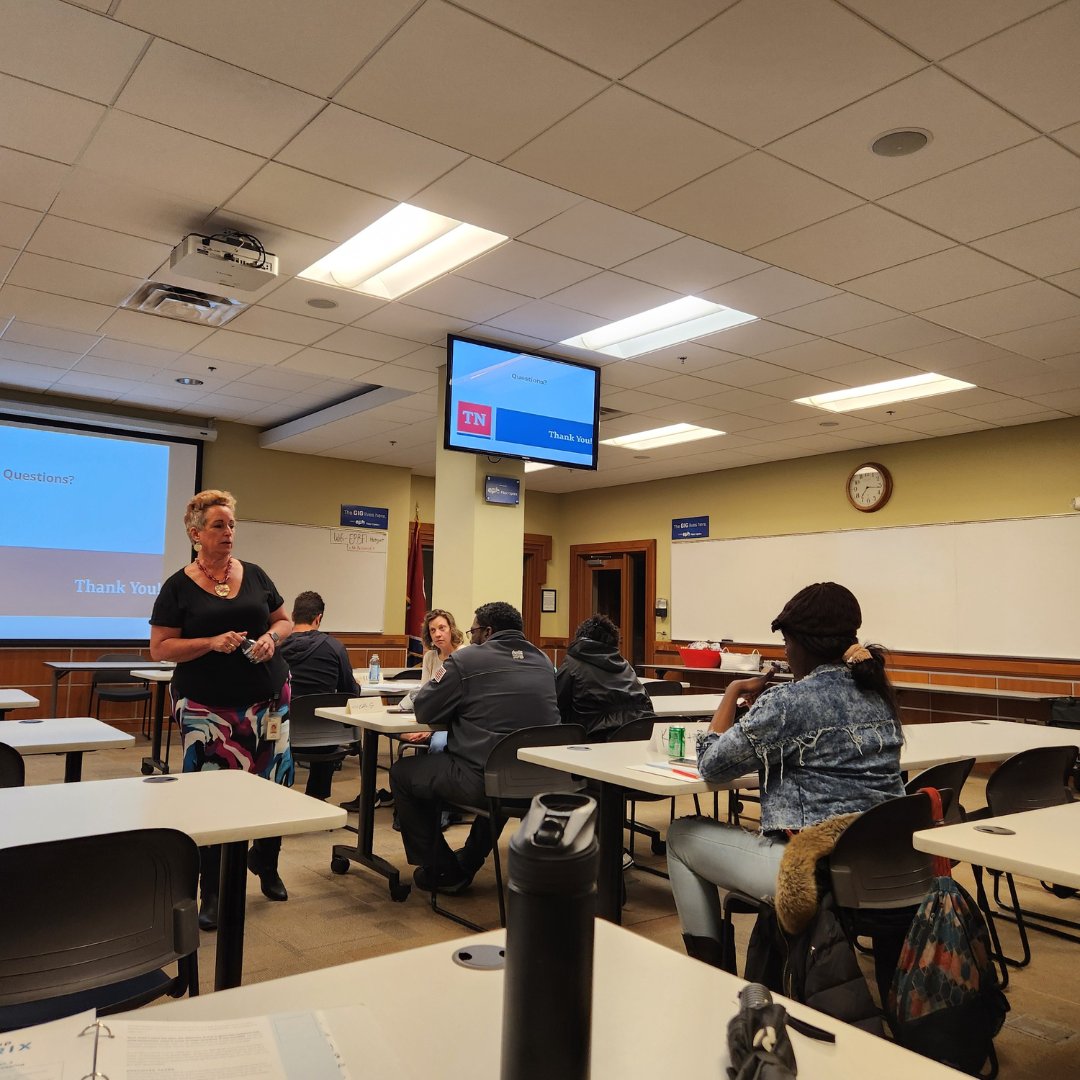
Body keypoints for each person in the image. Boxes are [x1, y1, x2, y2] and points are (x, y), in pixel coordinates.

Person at [666, 581, 904, 967]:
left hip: (814, 870)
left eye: (787, 644)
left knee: (680, 836)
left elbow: (712, 764)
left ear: (801, 643)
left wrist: (732, 693)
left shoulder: (788, 701)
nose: (786, 654)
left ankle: (711, 973)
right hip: (884, 860)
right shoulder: (877, 692)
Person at [149, 489, 295, 929]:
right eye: (218, 525)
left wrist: (273, 639)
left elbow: (284, 620)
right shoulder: (177, 586)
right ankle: (209, 891)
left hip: (268, 700)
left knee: (275, 786)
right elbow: (160, 648)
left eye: (231, 524)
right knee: (210, 799)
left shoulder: (255, 574)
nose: (229, 532)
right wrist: (211, 643)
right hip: (206, 709)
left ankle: (265, 864)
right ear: (196, 534)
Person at [389, 601, 560, 894]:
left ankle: (441, 869)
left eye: (474, 630)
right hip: (541, 779)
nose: (471, 637)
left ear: (488, 631)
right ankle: (468, 860)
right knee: (504, 770)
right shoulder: (544, 661)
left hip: (480, 779)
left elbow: (425, 710)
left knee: (404, 773)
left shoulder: (465, 661)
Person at [279, 590, 360, 800]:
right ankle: (317, 798)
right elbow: (349, 692)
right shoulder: (334, 647)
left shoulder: (276, 648)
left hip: (284, 733)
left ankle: (278, 797)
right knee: (326, 726)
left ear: (293, 616)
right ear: (318, 618)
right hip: (328, 735)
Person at [555, 613, 654, 738]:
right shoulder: (626, 666)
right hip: (639, 738)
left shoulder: (572, 665)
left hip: (594, 740)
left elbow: (557, 705)